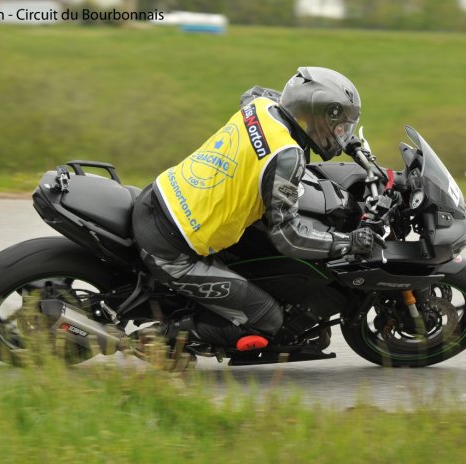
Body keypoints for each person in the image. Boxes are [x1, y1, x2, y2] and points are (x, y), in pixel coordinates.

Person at [131, 67, 374, 350]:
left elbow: (255, 93)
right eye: (340, 126)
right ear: (315, 115)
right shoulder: (287, 156)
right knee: (267, 319)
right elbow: (288, 237)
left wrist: (349, 142)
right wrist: (346, 242)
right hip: (171, 249)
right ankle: (157, 340)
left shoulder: (261, 105)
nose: (342, 133)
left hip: (159, 196)